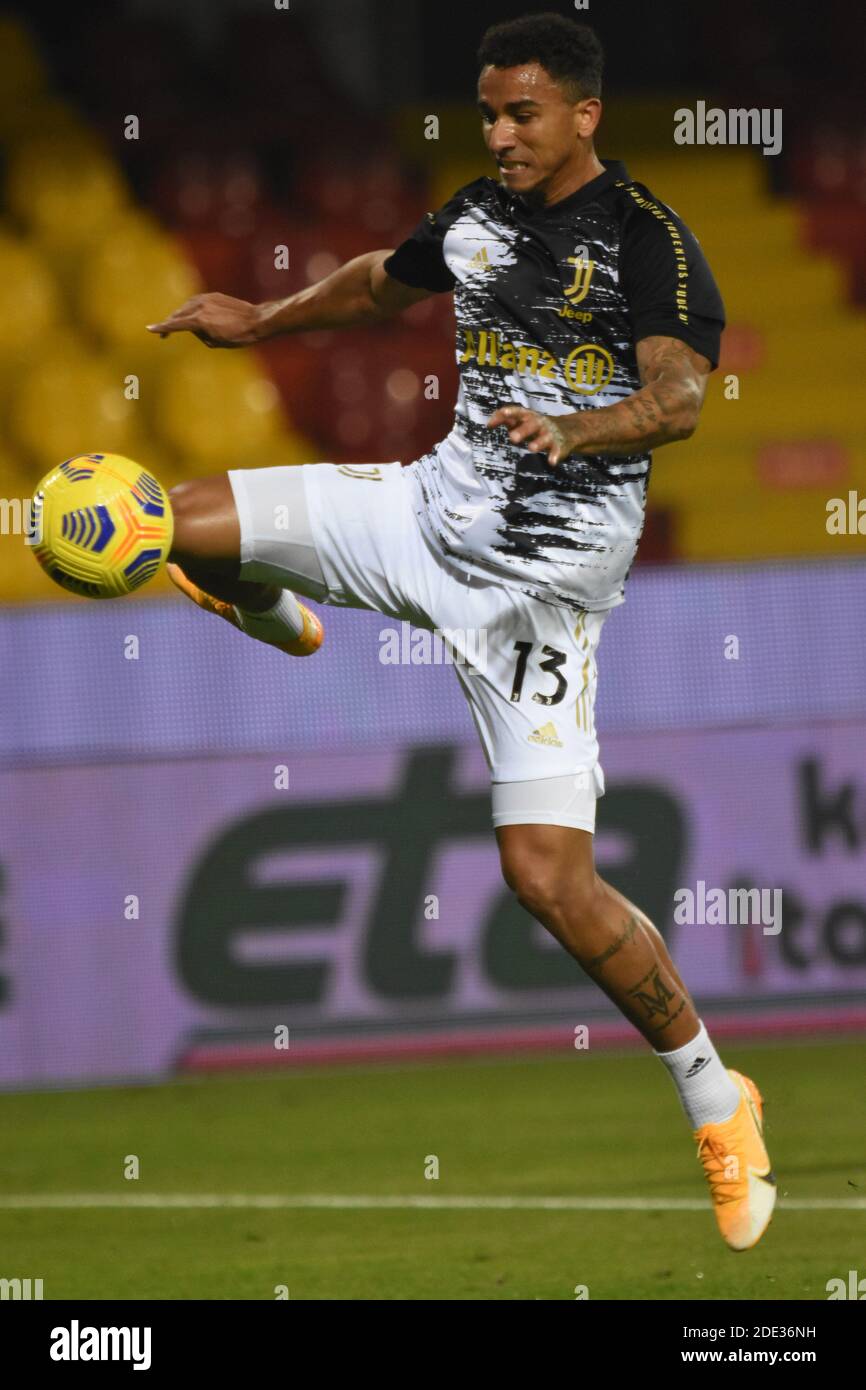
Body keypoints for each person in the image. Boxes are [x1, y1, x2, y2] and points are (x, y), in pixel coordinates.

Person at [148, 12, 775, 1251]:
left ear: (583, 114)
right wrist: (264, 319)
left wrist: (577, 430)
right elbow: (386, 277)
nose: (495, 134)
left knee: (545, 879)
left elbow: (678, 397)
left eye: (520, 114)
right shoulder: (477, 214)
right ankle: (277, 609)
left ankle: (716, 1091)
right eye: (485, 112)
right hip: (420, 513)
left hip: (534, 595)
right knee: (161, 520)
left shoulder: (647, 242)